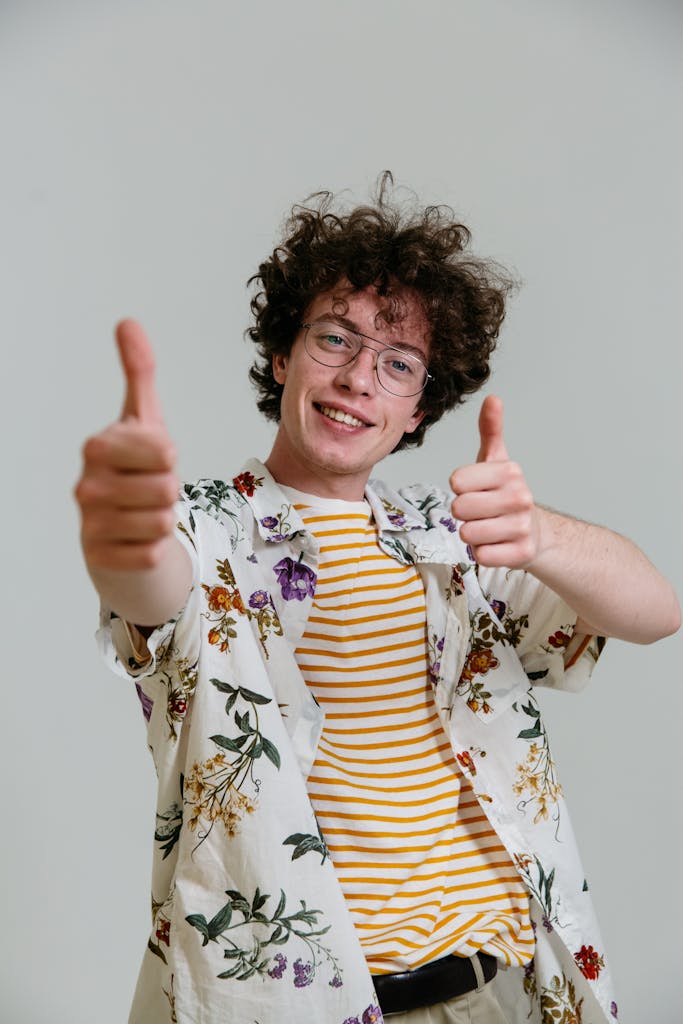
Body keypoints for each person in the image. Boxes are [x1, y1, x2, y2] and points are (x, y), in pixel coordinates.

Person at [75, 177, 679, 1024]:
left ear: (418, 408)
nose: (360, 377)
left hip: (495, 994)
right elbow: (150, 589)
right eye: (335, 339)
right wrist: (125, 535)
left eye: (397, 364)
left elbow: (655, 612)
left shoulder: (455, 537)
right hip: (296, 1005)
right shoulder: (204, 530)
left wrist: (540, 534)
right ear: (283, 356)